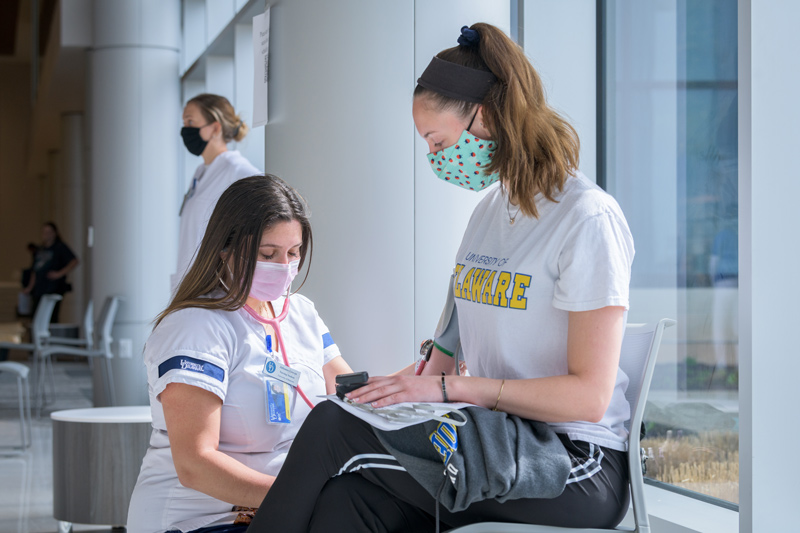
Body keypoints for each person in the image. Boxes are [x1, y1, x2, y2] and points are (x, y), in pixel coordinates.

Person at [247, 23, 635, 532]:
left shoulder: (586, 218)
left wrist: (453, 391)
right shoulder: (487, 216)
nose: (434, 158)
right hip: (499, 437)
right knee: (349, 499)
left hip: (574, 462)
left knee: (331, 428)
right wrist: (401, 390)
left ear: (487, 114)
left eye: (437, 141)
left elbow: (588, 398)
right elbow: (446, 353)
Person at [127, 175, 353, 533]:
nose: (283, 265)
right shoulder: (196, 327)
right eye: (267, 253)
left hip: (279, 514)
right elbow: (196, 464)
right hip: (202, 520)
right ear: (225, 248)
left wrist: (429, 374)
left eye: (293, 253)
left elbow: (350, 393)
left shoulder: (300, 313)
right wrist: (302, 499)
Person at [173, 93, 261, 292]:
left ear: (215, 127)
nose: (185, 129)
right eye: (184, 122)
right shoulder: (201, 172)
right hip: (191, 284)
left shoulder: (237, 171)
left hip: (214, 288)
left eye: (190, 121)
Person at [22, 222, 79, 323]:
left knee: (51, 317)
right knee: (36, 316)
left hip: (53, 288)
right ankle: (36, 337)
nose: (46, 235)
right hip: (39, 288)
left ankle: (50, 337)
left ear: (55, 233)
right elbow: (35, 271)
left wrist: (59, 273)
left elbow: (74, 261)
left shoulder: (60, 247)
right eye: (44, 232)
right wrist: (30, 288)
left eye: (49, 232)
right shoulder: (40, 249)